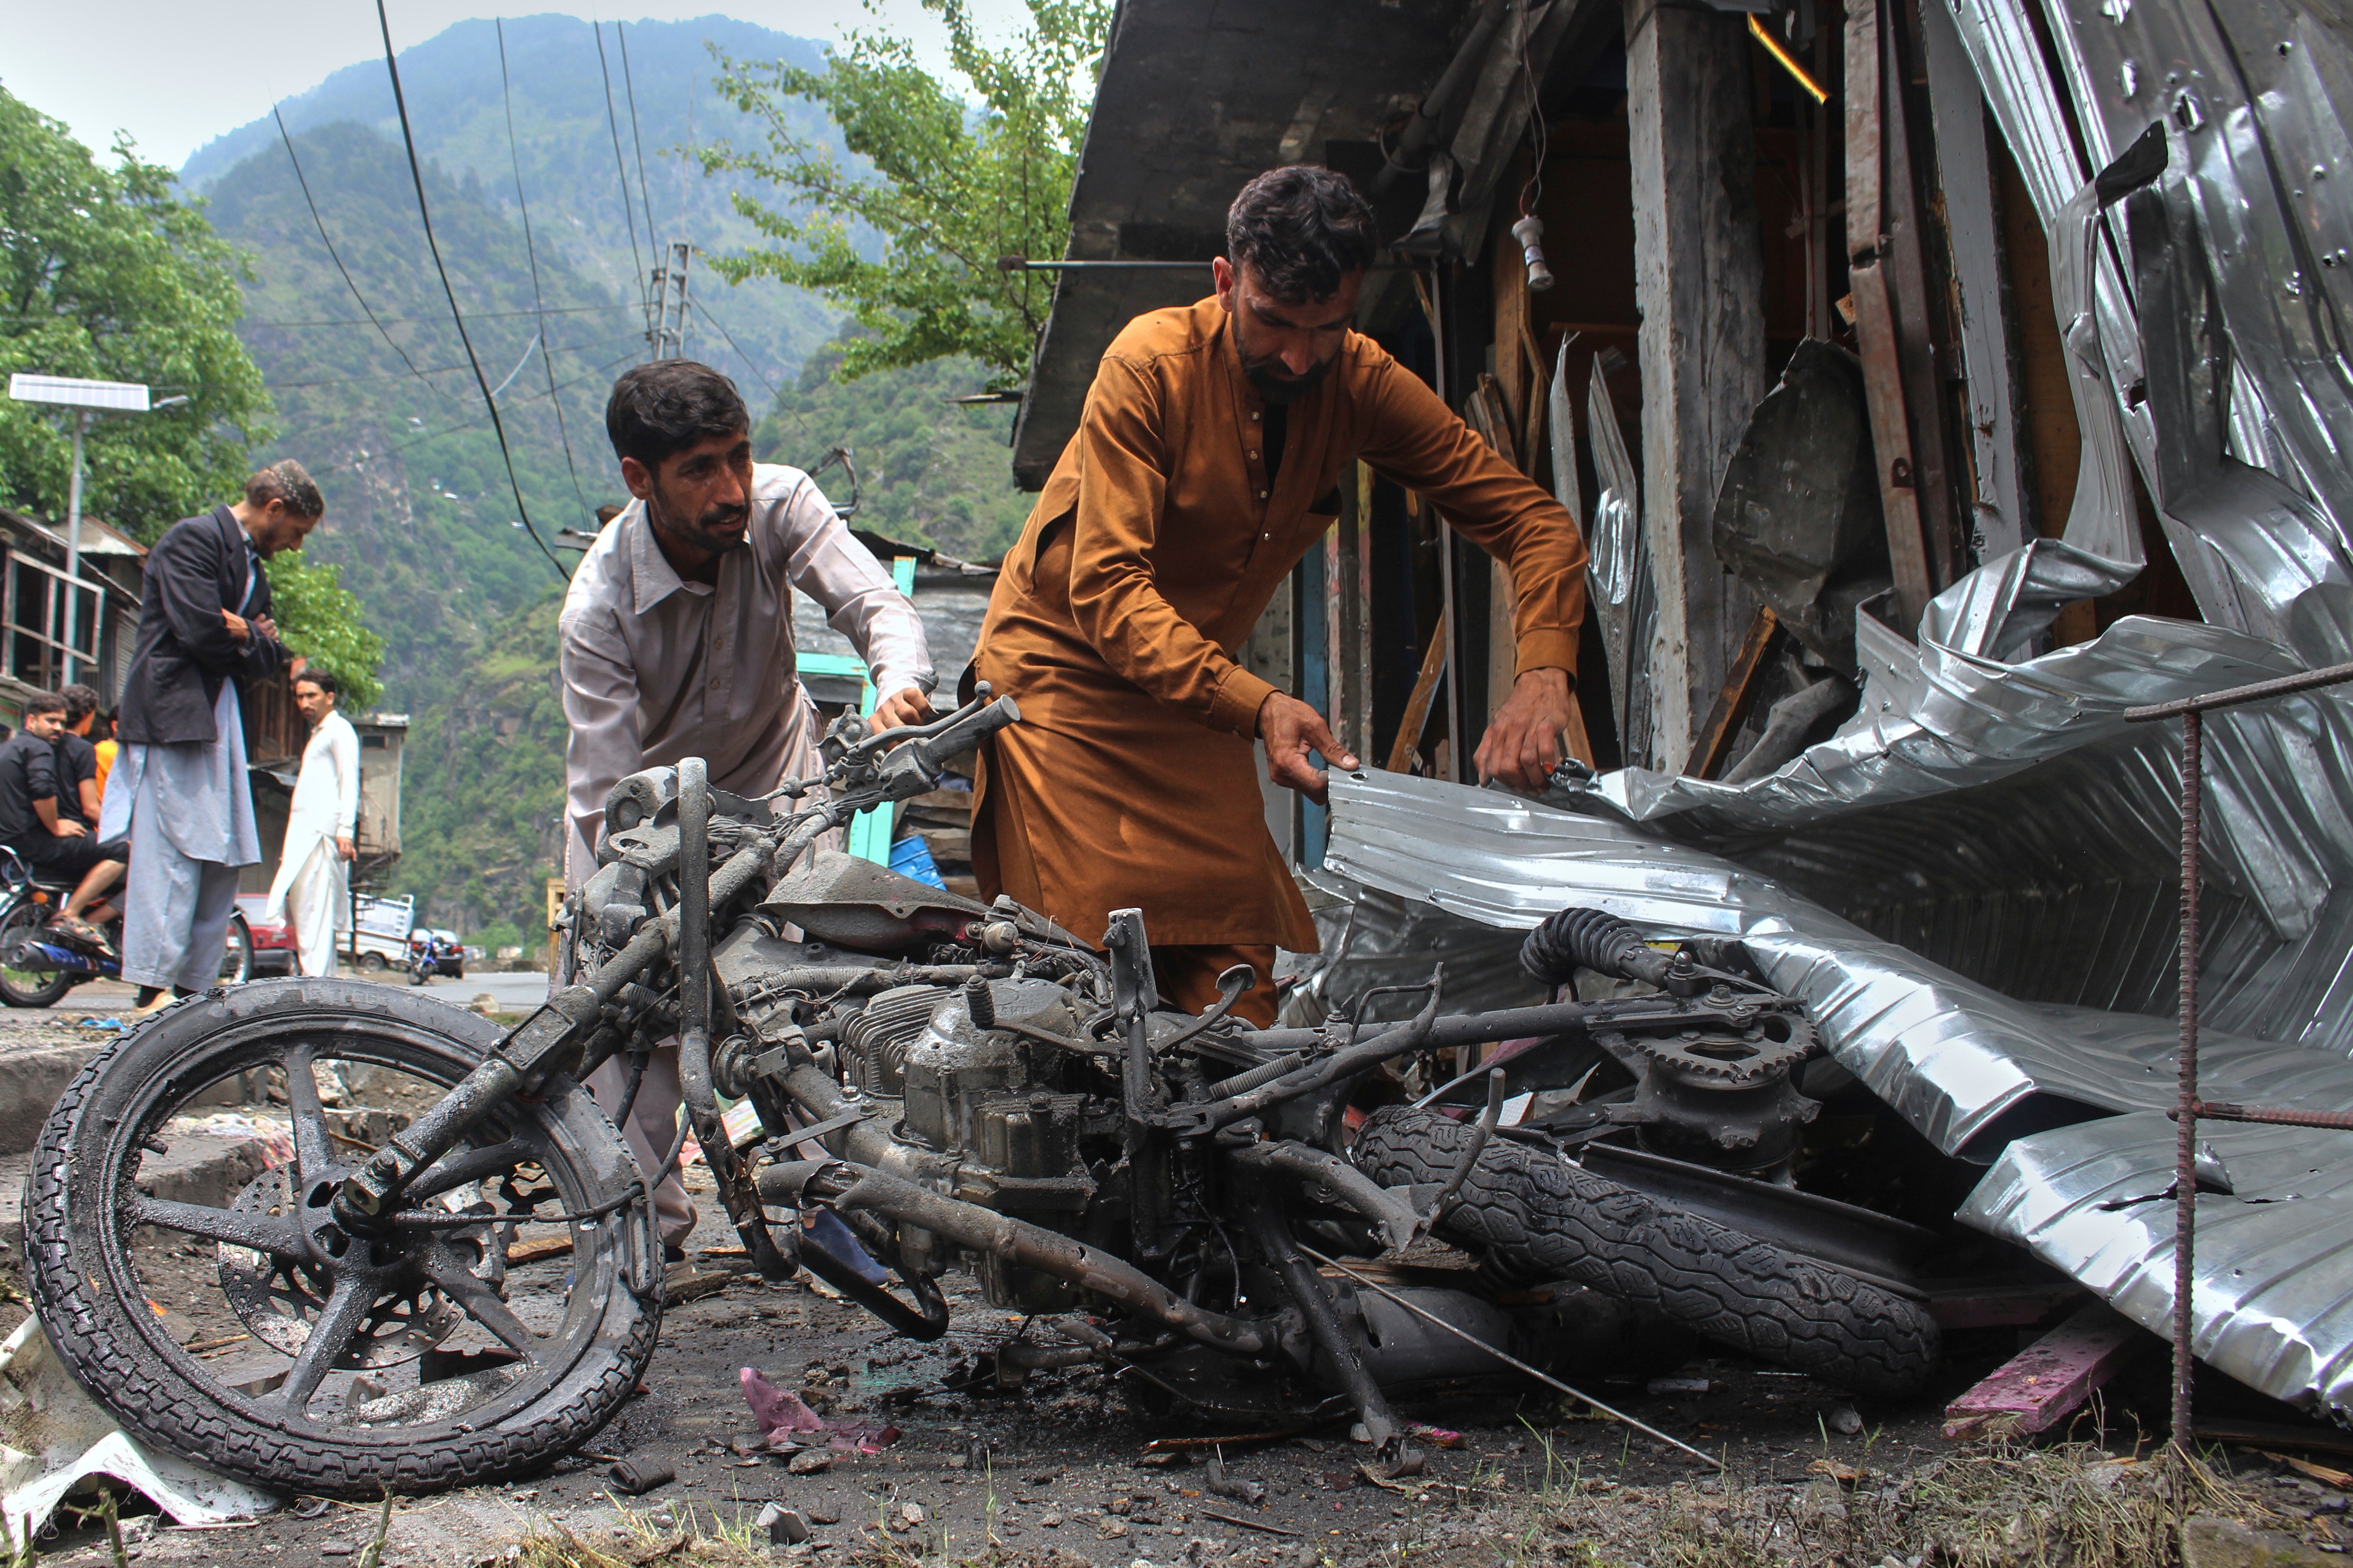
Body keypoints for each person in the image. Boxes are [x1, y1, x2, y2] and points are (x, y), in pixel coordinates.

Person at [972, 166, 1589, 1026]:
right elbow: (1108, 591)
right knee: (1088, 1000)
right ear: (1225, 283)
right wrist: (1259, 703)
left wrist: (1543, 675)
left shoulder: (1360, 381)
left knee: (1239, 1005)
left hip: (1195, 704)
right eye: (1273, 324)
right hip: (1064, 696)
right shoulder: (1146, 367)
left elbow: (1535, 525)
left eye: (1326, 328)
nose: (1299, 358)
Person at [561, 359, 933, 1252]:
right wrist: (642, 896)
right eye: (700, 469)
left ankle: (845, 1210)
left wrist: (899, 681)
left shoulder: (782, 502)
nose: (731, 488)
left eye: (739, 457)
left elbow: (875, 601)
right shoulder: (598, 608)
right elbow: (609, 801)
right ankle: (643, 1244)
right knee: (633, 1032)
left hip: (779, 793)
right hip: (649, 828)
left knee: (819, 1004)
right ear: (637, 479)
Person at [102, 460, 311, 1013]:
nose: (294, 546)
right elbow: (197, 629)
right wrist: (248, 637)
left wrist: (245, 635)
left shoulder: (253, 571)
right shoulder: (191, 540)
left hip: (218, 716)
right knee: (173, 848)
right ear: (274, 510)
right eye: (296, 531)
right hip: (175, 714)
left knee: (223, 852)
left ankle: (195, 987)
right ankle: (153, 985)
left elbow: (272, 656)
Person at [0, 692, 126, 944]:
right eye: (51, 721)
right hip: (34, 840)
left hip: (12, 840)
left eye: (61, 721)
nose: (58, 728)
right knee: (124, 850)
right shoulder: (40, 748)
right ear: (31, 721)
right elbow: (43, 789)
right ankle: (71, 914)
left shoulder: (9, 748)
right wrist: (55, 826)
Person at [263, 668, 358, 977]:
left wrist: (346, 830)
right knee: (305, 914)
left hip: (321, 836)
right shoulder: (318, 735)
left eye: (311, 695)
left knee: (316, 913)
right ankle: (317, 984)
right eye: (300, 697)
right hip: (304, 838)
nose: (305, 703)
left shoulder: (339, 730)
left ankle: (317, 987)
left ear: (329, 697)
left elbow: (349, 781)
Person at [55, 684, 102, 828]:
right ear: (88, 712)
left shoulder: (46, 744)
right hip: (77, 829)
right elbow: (90, 809)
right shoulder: (84, 749)